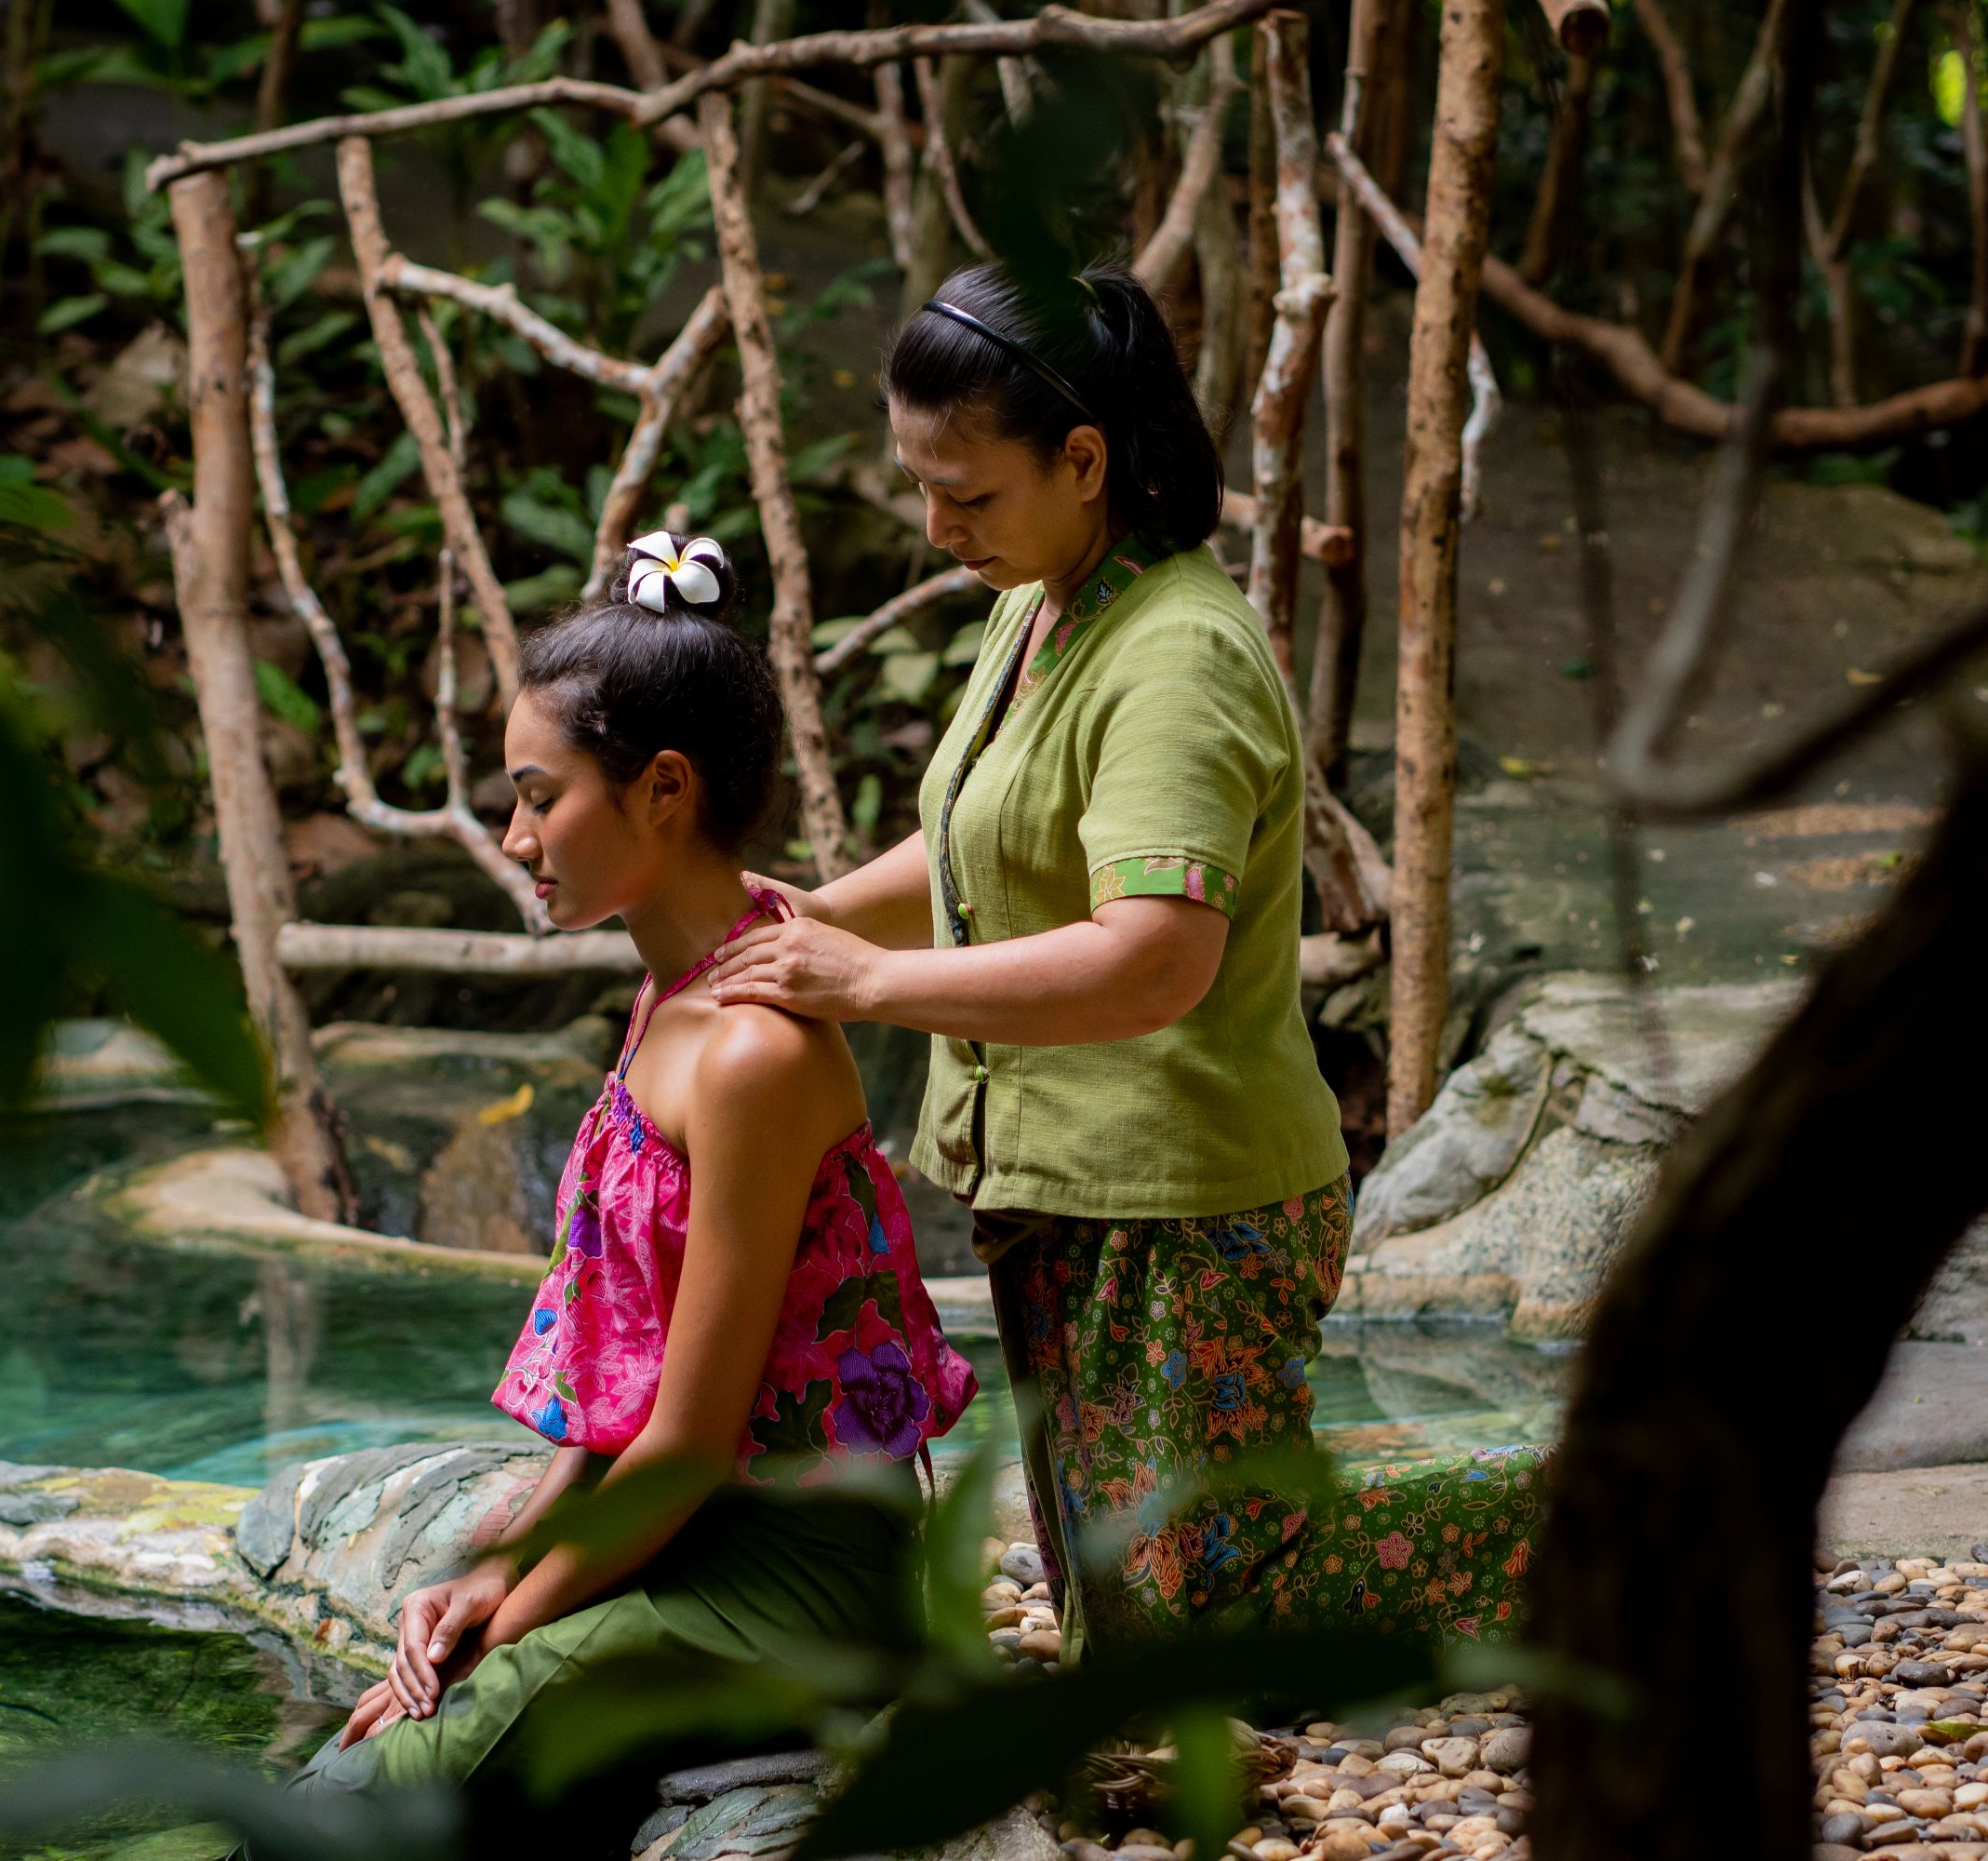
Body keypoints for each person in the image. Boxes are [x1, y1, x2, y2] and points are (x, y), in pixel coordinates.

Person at [704, 261, 1543, 1651]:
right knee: (1125, 1627)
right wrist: (817, 918)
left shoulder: (1179, 657)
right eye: (923, 486)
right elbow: (986, 840)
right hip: (1067, 1184)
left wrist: (868, 988)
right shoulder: (1039, 605)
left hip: (1191, 1203)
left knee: (1208, 1620)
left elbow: (1152, 958)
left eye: (966, 494)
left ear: (1084, 460)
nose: (936, 527)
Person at [277, 530, 978, 1831]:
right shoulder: (677, 989)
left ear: (663, 789)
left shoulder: (752, 1054)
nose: (513, 833)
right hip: (694, 1521)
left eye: (540, 797)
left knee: (371, 1798)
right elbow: (630, 1395)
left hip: (794, 1580)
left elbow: (694, 1439)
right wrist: (498, 1567)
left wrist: (506, 1618)